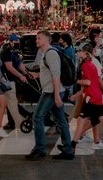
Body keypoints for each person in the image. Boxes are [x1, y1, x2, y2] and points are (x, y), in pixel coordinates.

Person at [68, 44, 103, 157]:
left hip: (91, 98)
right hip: (95, 96)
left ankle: (71, 147)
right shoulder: (88, 63)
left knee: (83, 120)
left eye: (79, 51)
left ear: (85, 53)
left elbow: (88, 82)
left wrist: (75, 81)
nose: (77, 52)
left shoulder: (86, 65)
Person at [26, 31, 74, 160]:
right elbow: (49, 72)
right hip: (53, 91)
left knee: (37, 117)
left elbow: (56, 75)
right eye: (36, 38)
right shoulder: (46, 53)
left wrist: (57, 95)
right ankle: (68, 149)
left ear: (47, 40)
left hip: (51, 91)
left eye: (39, 38)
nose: (36, 40)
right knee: (61, 120)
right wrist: (37, 75)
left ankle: (40, 149)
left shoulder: (50, 53)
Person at [0, 35, 28, 130]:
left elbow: (19, 64)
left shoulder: (15, 52)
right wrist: (20, 75)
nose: (17, 42)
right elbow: (9, 67)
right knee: (11, 101)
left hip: (14, 80)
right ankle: (18, 122)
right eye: (16, 41)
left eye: (18, 41)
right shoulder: (6, 52)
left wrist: (27, 73)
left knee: (11, 102)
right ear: (11, 41)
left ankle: (12, 122)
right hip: (8, 80)